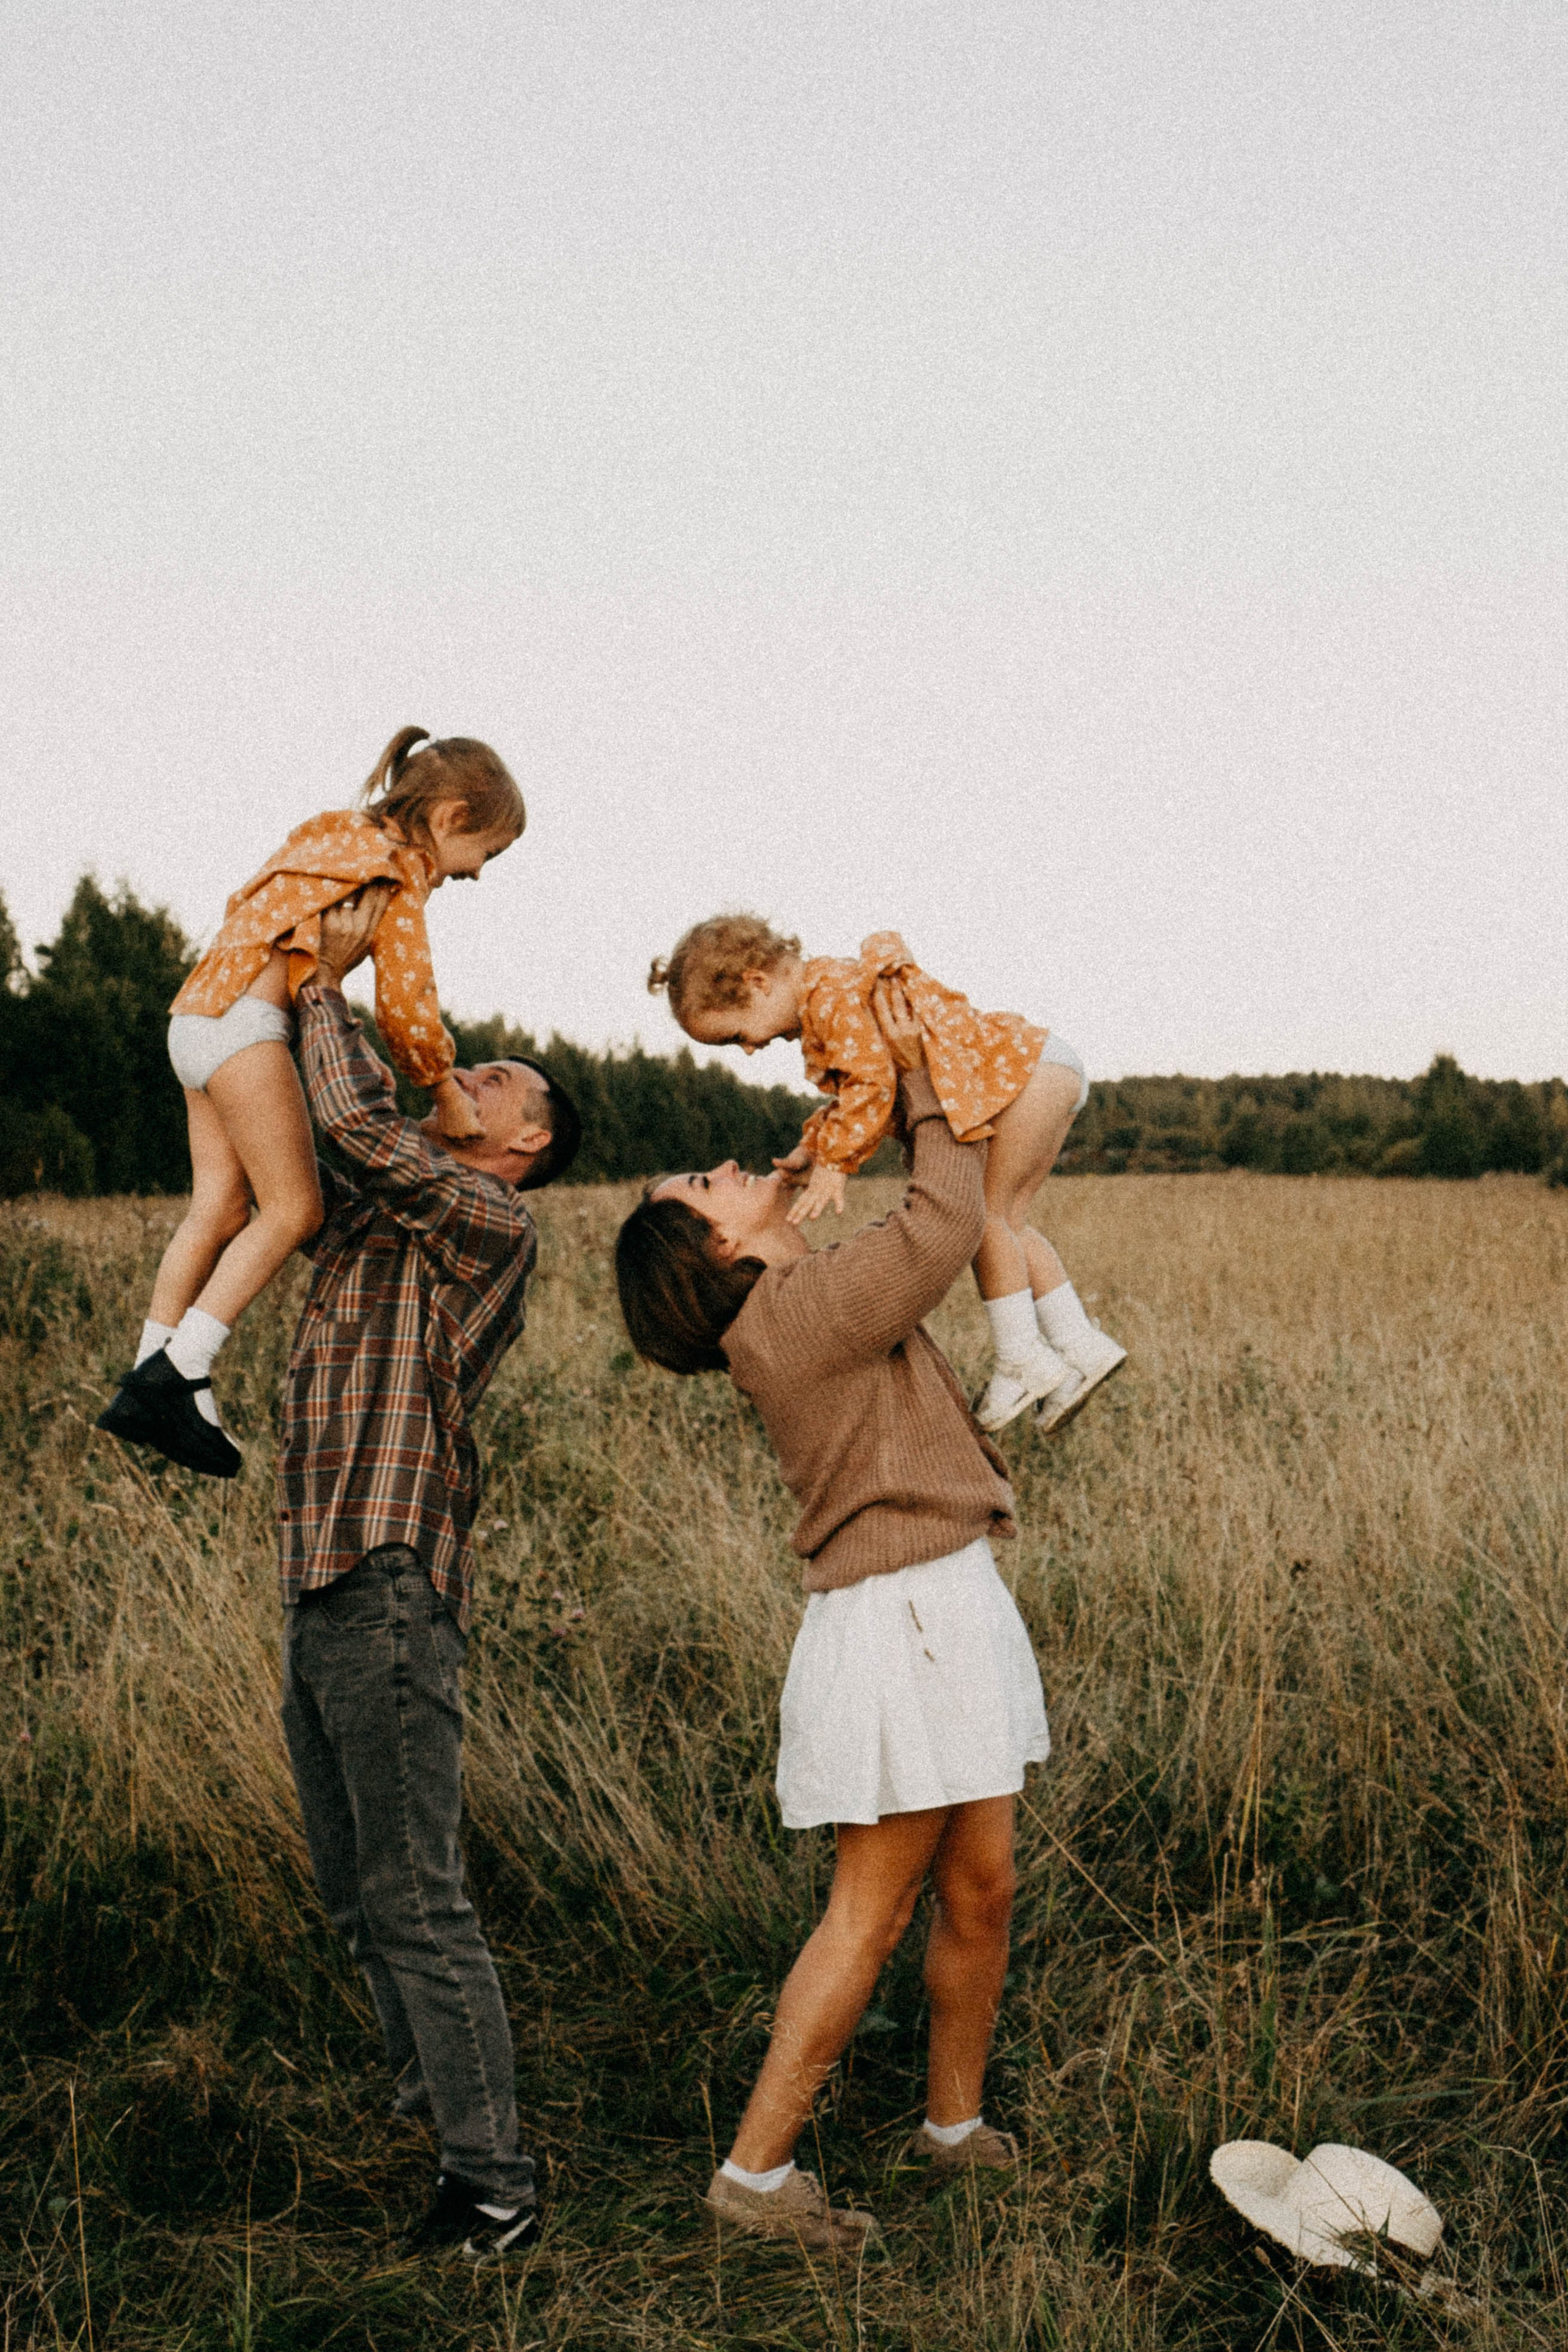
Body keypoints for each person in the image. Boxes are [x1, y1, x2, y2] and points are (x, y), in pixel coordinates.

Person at [614, 980, 1048, 2252]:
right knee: (870, 1906)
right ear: (720, 1253)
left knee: (981, 1887)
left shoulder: (800, 1297)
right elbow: (949, 1213)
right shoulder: (792, 1319)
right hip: (901, 1623)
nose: (730, 1166)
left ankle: (951, 2131)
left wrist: (840, 1129)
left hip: (944, 1601)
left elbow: (899, 1229)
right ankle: (752, 2180)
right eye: (708, 1185)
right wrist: (927, 1073)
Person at [273, 887, 579, 2260]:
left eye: (499, 1078)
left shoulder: (484, 1221)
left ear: (526, 1142)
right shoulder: (374, 1218)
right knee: (355, 1889)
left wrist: (315, 978)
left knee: (413, 1892)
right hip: (324, 1580)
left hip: (390, 1577)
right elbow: (322, 1145)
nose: (472, 1069)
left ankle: (490, 2184)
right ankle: (435, 2109)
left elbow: (345, 1117)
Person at [97, 728, 525, 1479]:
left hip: (192, 1017)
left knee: (219, 1212)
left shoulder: (330, 834)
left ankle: (146, 1373)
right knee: (296, 1209)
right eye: (487, 854)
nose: (481, 875)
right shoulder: (395, 873)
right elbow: (406, 1004)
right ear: (453, 818)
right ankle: (181, 1371)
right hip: (246, 1026)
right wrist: (441, 1089)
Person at [647, 915, 1125, 1434]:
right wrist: (813, 1148)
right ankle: (1082, 1344)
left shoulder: (828, 998)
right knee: (1010, 1221)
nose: (746, 1049)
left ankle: (1022, 1359)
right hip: (1043, 1066)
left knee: (986, 1220)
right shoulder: (833, 994)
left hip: (1022, 1076)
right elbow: (862, 1091)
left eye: (736, 1034)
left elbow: (872, 1085)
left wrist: (837, 1164)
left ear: (757, 983)